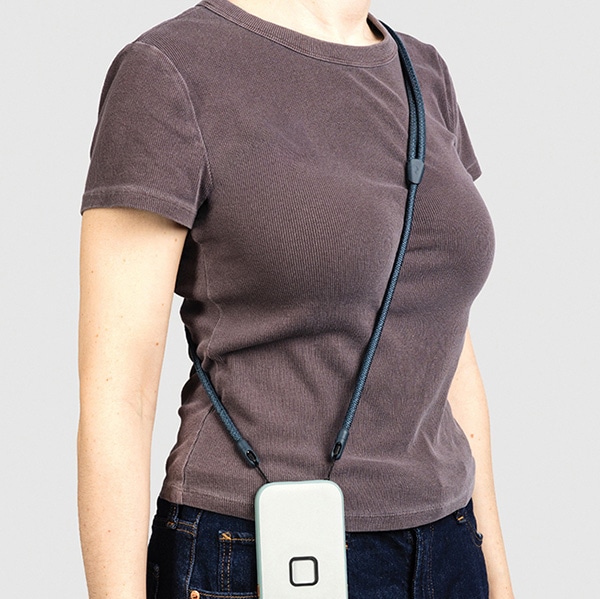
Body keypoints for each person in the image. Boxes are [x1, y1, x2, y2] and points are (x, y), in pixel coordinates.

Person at [77, 0, 514, 597]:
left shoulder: (423, 71)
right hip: (258, 547)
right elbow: (117, 397)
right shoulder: (169, 69)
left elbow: (445, 340)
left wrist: (496, 574)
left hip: (450, 544)